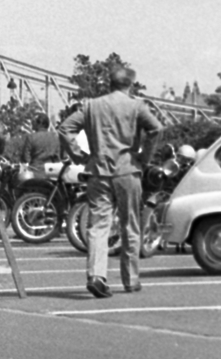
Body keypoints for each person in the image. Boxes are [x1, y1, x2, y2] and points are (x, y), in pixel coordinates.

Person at [59, 68, 161, 298]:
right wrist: (144, 158)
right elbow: (156, 128)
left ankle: (96, 276)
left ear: (109, 84)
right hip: (127, 170)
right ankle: (130, 279)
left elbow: (65, 128)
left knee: (97, 225)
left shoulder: (91, 105)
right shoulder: (136, 106)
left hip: (98, 170)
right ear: (131, 85)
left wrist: (79, 156)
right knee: (130, 225)